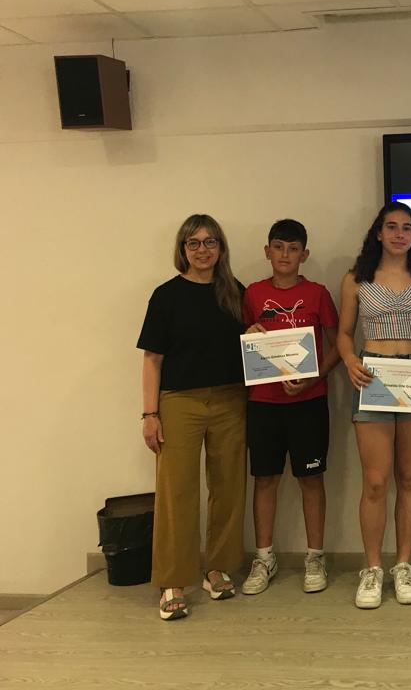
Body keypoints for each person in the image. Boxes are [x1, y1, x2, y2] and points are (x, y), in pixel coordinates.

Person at [137, 214, 247, 621]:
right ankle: (172, 580)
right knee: (177, 491)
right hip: (179, 402)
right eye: (194, 243)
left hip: (231, 400)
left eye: (210, 242)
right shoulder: (166, 296)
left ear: (221, 248)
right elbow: (152, 359)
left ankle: (216, 569)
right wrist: (150, 414)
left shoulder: (236, 293)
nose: (203, 250)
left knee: (228, 487)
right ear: (183, 249)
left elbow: (255, 345)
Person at [338, 202, 411, 609]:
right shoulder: (356, 279)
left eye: (407, 228)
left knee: (410, 477)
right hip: (374, 378)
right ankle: (372, 569)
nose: (400, 234)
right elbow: (344, 333)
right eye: (392, 226)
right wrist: (350, 361)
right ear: (379, 233)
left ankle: (403, 566)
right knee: (376, 481)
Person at [239, 219, 340, 596]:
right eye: (278, 247)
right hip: (263, 403)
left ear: (304, 254)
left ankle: (315, 557)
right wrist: (247, 334)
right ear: (267, 251)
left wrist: (313, 379)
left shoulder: (318, 294)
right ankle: (264, 557)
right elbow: (244, 341)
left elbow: (337, 347)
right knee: (265, 478)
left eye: (293, 248)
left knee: (311, 479)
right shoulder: (252, 294)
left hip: (309, 402)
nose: (285, 254)